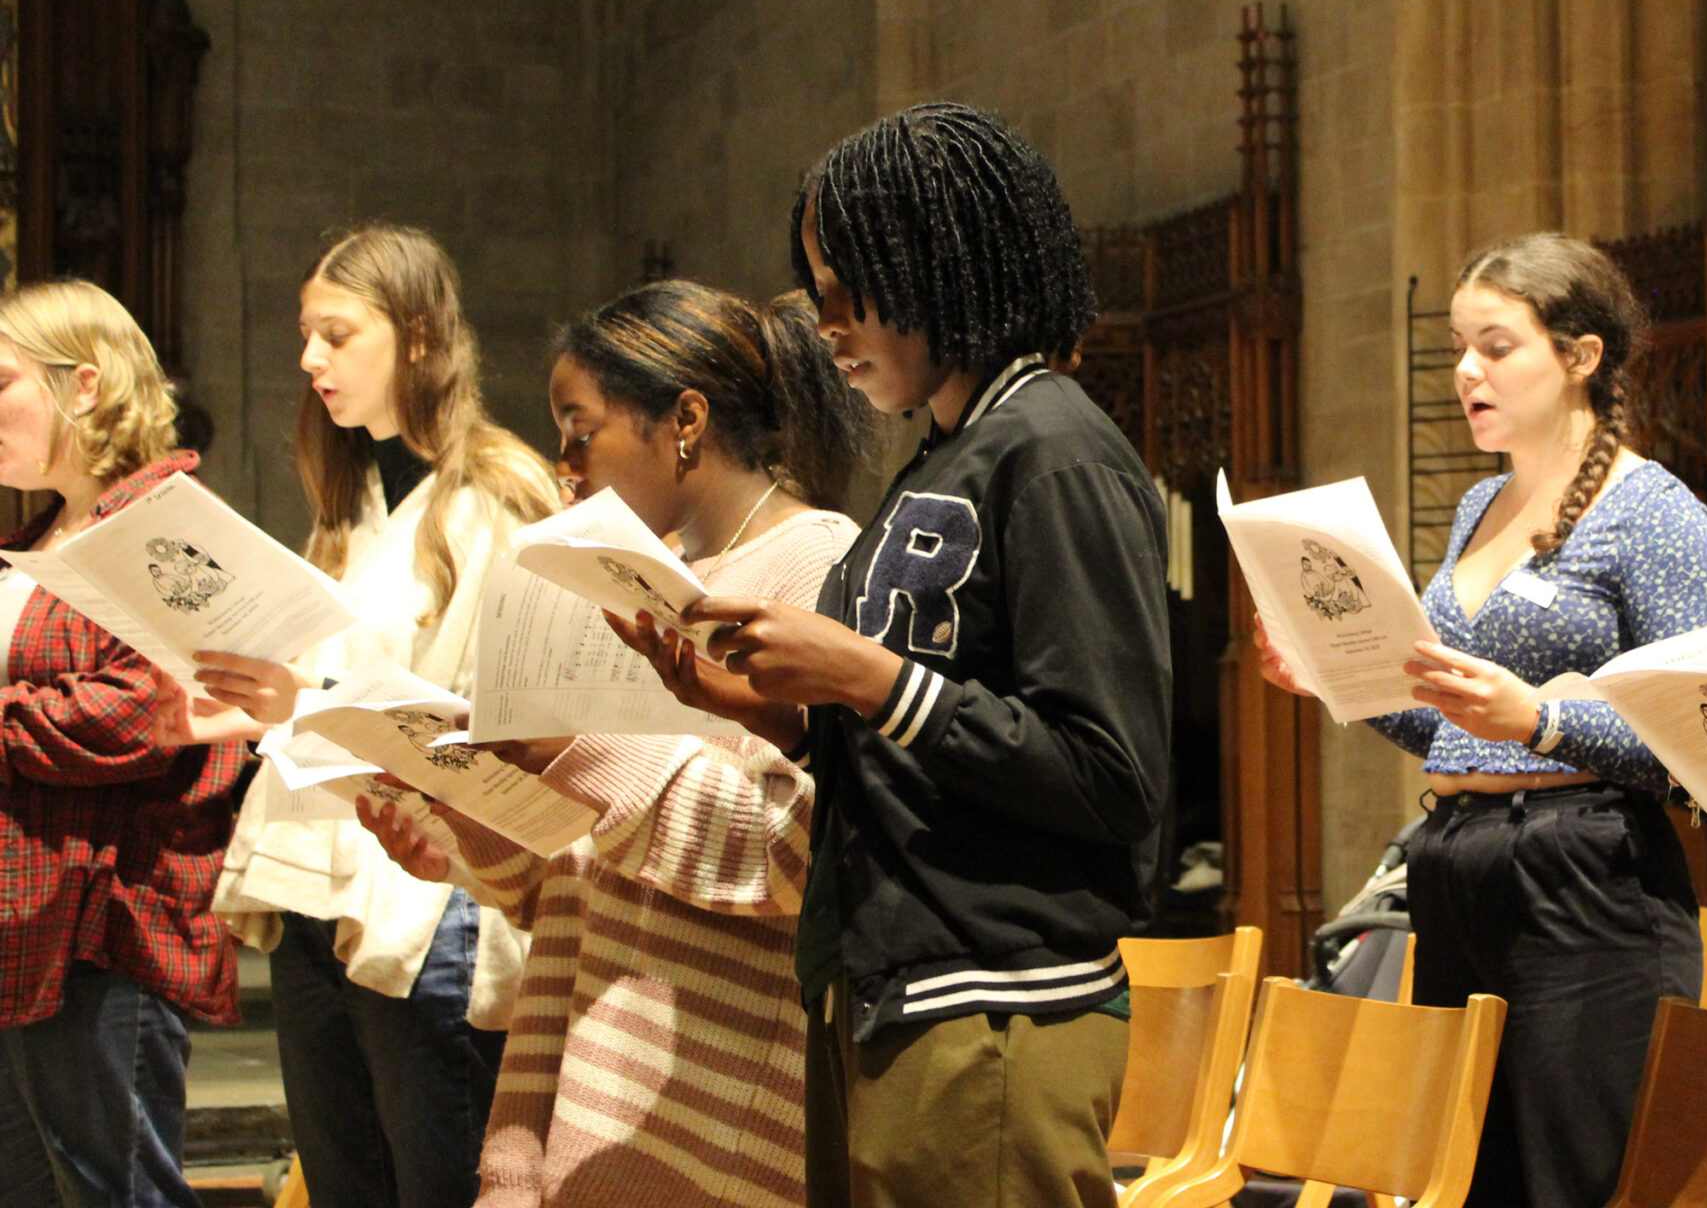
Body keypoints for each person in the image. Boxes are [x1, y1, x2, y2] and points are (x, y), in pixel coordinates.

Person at [627, 103, 1170, 1208]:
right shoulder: (950, 452)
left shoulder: (1057, 449)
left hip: (998, 1002)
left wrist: (865, 674)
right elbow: (923, 743)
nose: (825, 321)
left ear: (943, 265)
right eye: (818, 285)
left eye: (850, 285)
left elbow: (1113, 775)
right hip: (889, 986)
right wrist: (761, 704)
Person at [355, 281, 866, 1208]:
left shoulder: (817, 568)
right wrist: (469, 825)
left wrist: (578, 750)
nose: (563, 464)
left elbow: (800, 853)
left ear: (686, 420)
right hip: (577, 1092)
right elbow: (585, 883)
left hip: (708, 1127)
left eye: (578, 428)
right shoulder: (632, 581)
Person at [1256, 232, 1707, 1208]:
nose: (1467, 370)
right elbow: (1455, 730)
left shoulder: (1653, 509)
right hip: (1456, 860)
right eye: (1460, 346)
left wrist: (1542, 721)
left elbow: (1702, 738)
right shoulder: (1479, 503)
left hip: (1587, 876)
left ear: (1580, 356)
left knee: (1573, 1181)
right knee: (1468, 1181)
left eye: (1496, 345)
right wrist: (1341, 681)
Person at [201, 223, 558, 1208]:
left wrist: (306, 700)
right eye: (304, 336)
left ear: (417, 334)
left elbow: (502, 721)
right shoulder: (348, 495)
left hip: (433, 893)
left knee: (434, 1182)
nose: (311, 358)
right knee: (344, 1177)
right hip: (321, 888)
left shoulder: (497, 492)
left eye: (336, 333)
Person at [0, 281, 255, 1208]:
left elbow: (137, 710)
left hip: (107, 922)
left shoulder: (168, 525)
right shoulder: (41, 536)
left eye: (1, 382)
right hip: (26, 918)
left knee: (116, 1196)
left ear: (86, 386)